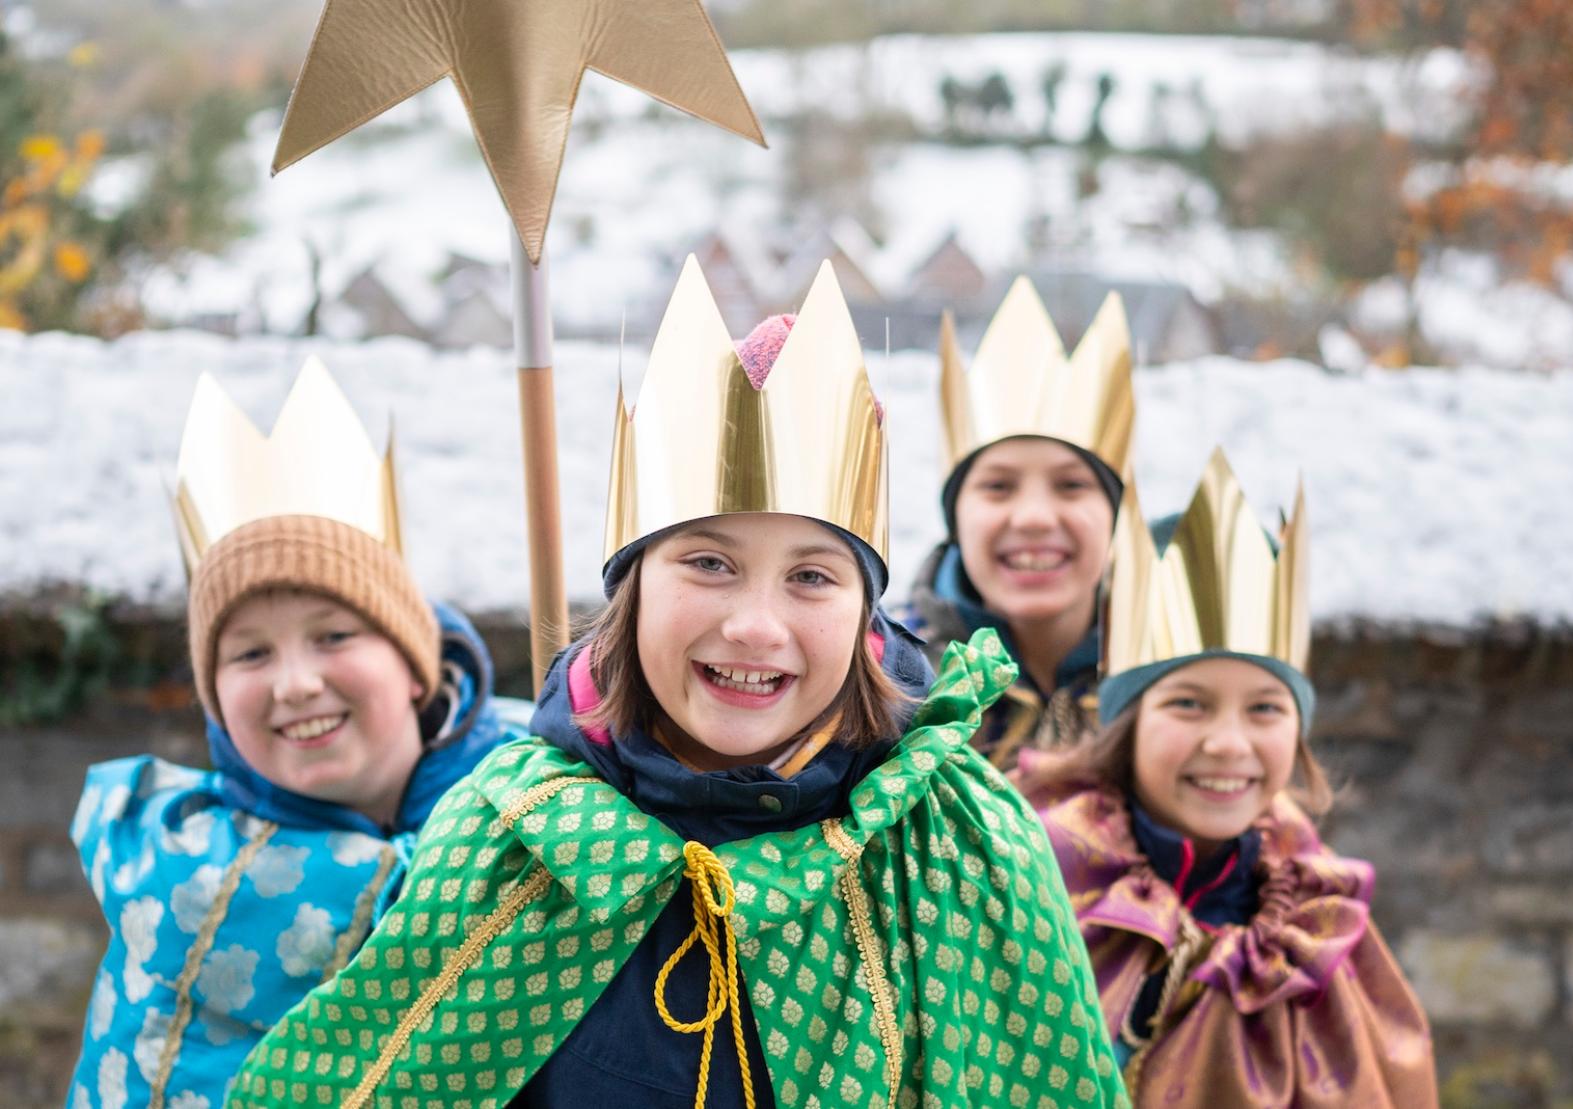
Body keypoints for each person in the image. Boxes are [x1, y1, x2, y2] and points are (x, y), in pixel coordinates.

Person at [228, 259, 1130, 1109]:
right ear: (633, 592)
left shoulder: (960, 840)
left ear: (867, 619)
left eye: (811, 576)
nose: (754, 624)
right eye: (707, 561)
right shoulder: (509, 829)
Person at [67, 360, 523, 1109]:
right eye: (250, 652)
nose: (295, 682)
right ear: (214, 699)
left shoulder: (545, 818)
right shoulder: (176, 882)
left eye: (334, 634)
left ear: (416, 664)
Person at [1017, 449, 1437, 1106]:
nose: (1227, 742)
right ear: (1126, 724)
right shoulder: (1035, 878)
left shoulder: (1315, 915)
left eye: (1265, 707)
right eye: (1187, 702)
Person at [902, 276, 1135, 769]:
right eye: (998, 487)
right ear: (956, 517)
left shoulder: (1167, 684)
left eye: (1072, 485)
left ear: (1116, 516)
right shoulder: (888, 684)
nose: (1032, 517)